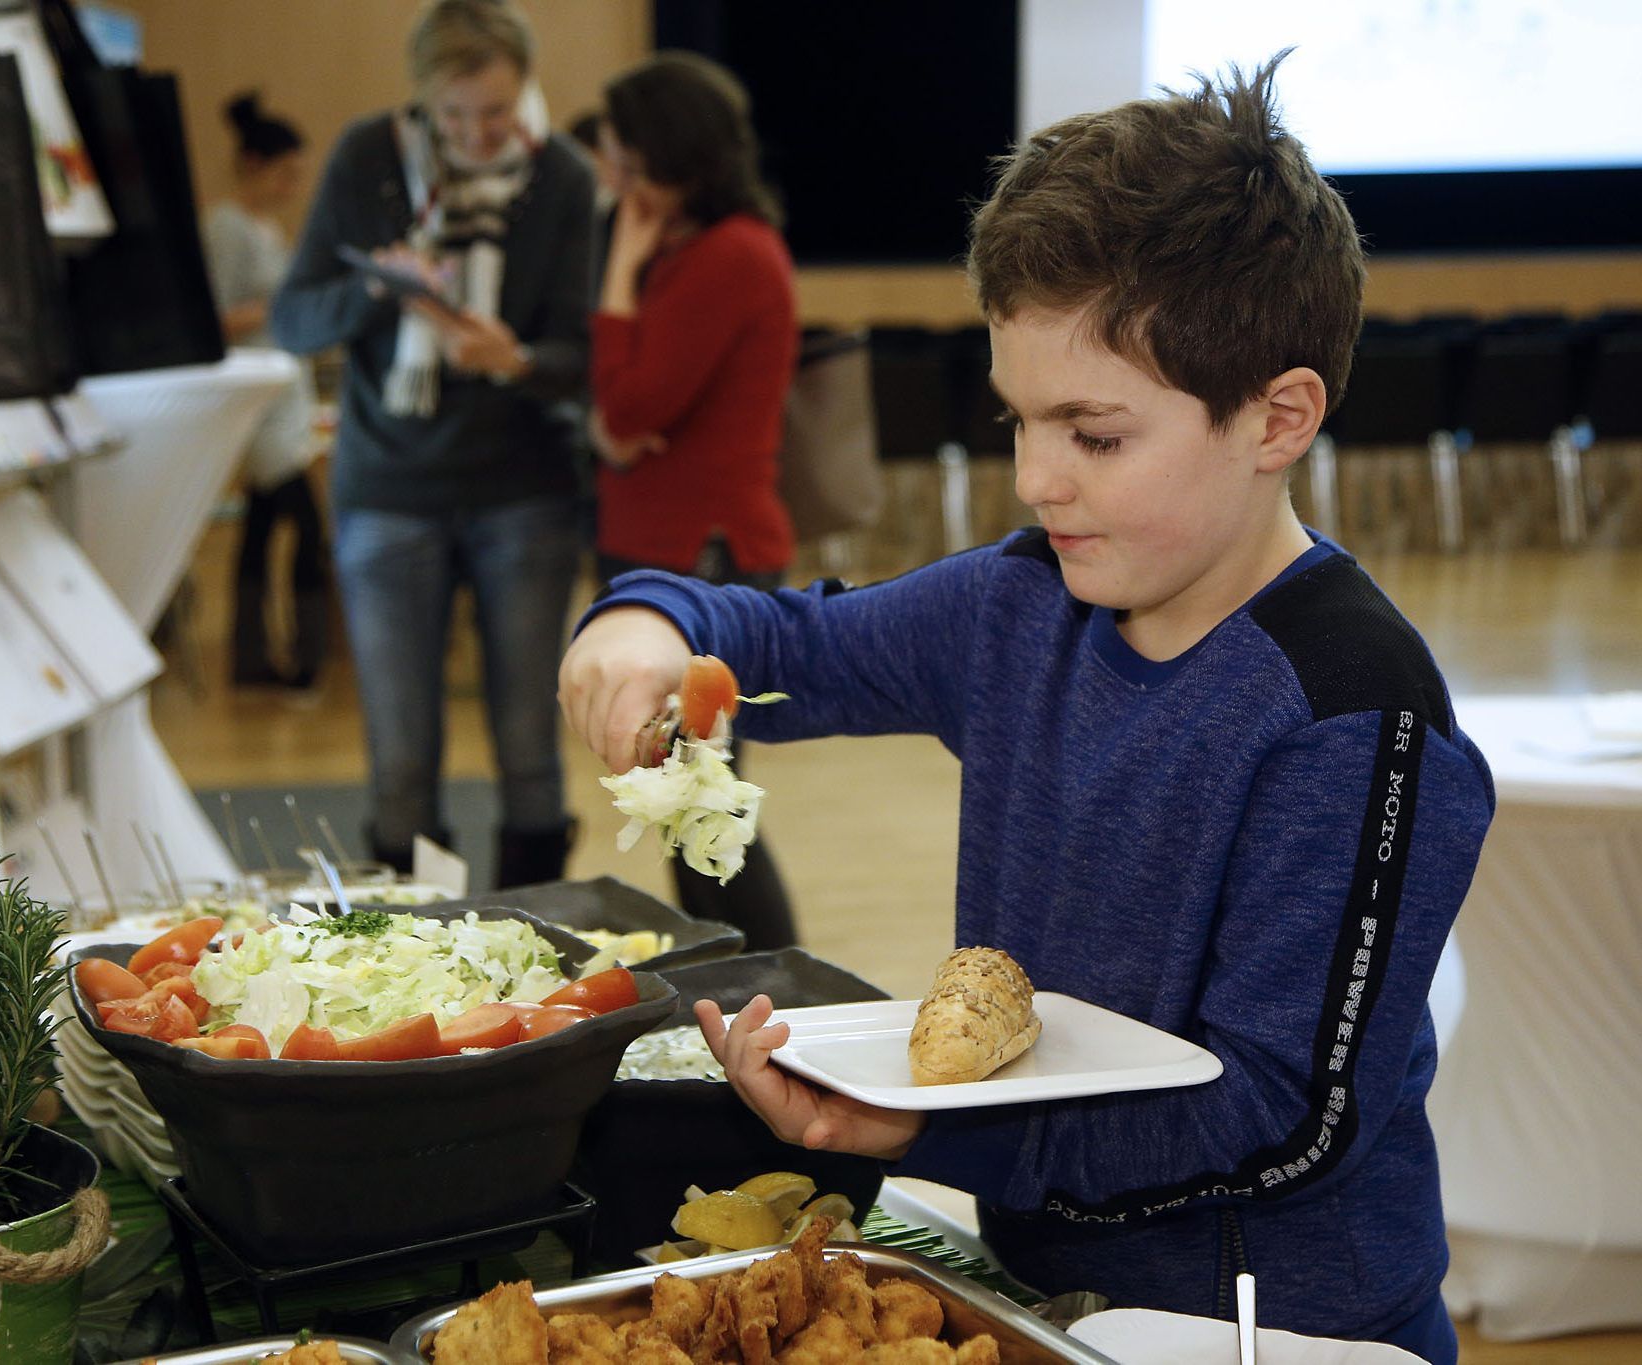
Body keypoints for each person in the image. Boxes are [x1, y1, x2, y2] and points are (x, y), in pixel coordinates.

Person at [559, 56, 1493, 1362]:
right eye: (1017, 421)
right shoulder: (1020, 603)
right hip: (1052, 1300)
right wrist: (652, 618)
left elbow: (1286, 1121)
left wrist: (933, 1130)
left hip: (1288, 1327)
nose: (1037, 477)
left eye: (1093, 434)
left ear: (1278, 415)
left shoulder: (1355, 712)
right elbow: (789, 638)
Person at [272, 0, 593, 884]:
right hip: (387, 492)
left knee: (530, 743)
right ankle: (413, 962)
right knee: (401, 755)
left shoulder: (561, 175)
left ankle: (536, 959)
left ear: (525, 88)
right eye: (454, 115)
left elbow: (587, 353)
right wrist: (378, 292)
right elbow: (294, 318)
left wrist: (517, 358)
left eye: (496, 111)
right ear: (420, 100)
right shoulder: (367, 159)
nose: (478, 134)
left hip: (524, 490)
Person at [587, 52, 801, 950]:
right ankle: (743, 996)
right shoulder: (698, 250)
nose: (609, 179)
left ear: (661, 161)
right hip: (668, 545)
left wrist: (620, 270)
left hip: (702, 554)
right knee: (689, 815)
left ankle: (777, 992)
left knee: (707, 814)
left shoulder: (730, 255)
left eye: (620, 161)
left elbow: (630, 407)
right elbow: (620, 415)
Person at [201, 92, 328, 692]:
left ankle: (251, 657)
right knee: (303, 525)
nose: (292, 185)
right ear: (254, 165)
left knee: (260, 526)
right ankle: (305, 659)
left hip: (283, 392)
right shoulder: (226, 228)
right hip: (256, 397)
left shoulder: (268, 227)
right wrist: (284, 304)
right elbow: (214, 317)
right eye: (285, 172)